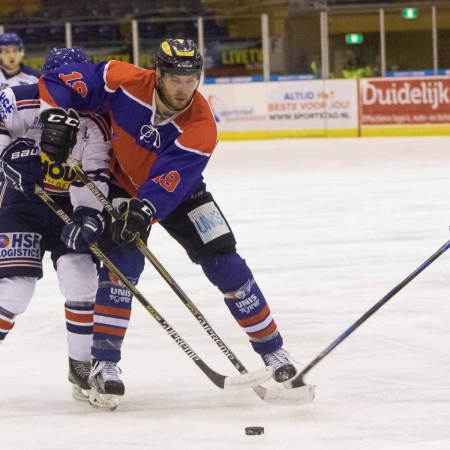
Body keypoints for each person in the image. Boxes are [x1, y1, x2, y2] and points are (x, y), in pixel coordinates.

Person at [38, 38, 297, 411]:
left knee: (227, 263)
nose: (183, 87)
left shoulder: (202, 125)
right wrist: (54, 114)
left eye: (191, 79)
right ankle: (104, 365)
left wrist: (146, 211)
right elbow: (58, 81)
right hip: (121, 183)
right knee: (123, 266)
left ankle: (274, 352)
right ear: (158, 73)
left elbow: (170, 181)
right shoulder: (121, 78)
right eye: (175, 78)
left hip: (182, 195)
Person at [0, 47, 111, 402]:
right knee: (15, 290)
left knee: (82, 285)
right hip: (22, 205)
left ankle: (80, 365)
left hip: (68, 207)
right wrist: (7, 155)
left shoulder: (96, 119)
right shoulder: (19, 100)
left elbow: (95, 173)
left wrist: (89, 214)